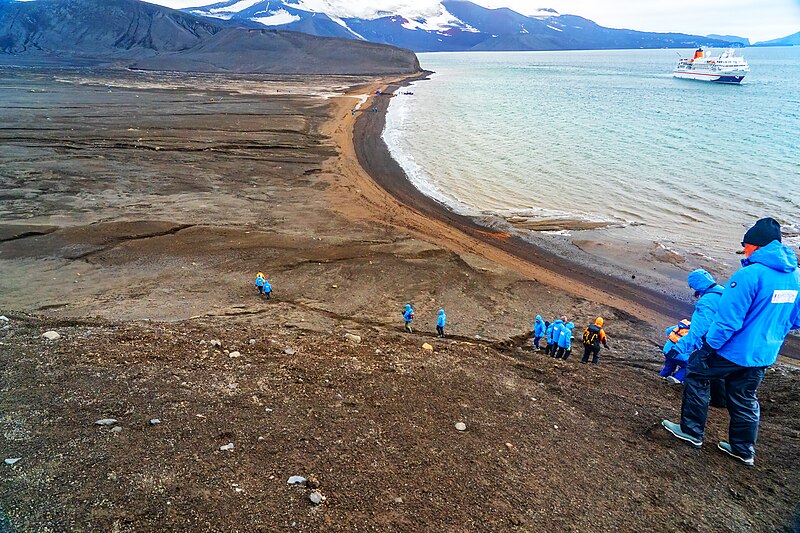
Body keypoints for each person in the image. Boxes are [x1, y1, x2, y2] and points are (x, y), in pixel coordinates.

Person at [663, 218, 800, 466]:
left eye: (745, 244)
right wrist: (769, 326)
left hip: (733, 350)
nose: (743, 249)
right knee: (745, 395)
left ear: (756, 245)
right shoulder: (796, 277)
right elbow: (797, 319)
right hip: (764, 353)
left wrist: (707, 349)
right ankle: (743, 449)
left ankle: (692, 431)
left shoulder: (748, 276)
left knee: (696, 373)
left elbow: (728, 322)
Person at [664, 270, 727, 406]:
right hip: (728, 338)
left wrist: (679, 348)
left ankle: (711, 402)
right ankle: (720, 400)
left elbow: (697, 330)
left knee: (695, 366)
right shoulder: (724, 292)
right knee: (719, 368)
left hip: (714, 340)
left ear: (697, 286)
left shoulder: (706, 302)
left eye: (692, 287)